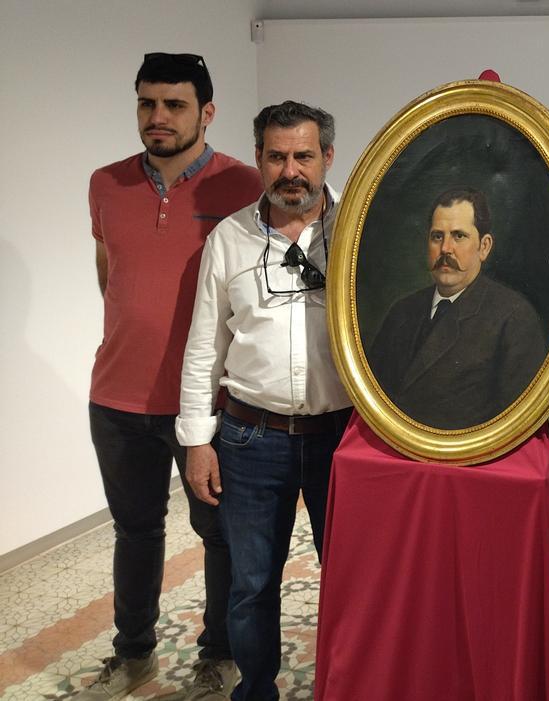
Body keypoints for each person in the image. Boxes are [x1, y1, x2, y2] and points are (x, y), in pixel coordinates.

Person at [82, 52, 261, 701]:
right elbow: (111, 273)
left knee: (217, 535)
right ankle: (132, 648)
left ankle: (216, 651)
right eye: (146, 103)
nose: (157, 117)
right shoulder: (106, 184)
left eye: (174, 104)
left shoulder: (241, 184)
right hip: (117, 397)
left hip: (209, 404)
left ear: (207, 112)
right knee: (135, 529)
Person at [176, 101, 352, 701]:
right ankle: (256, 690)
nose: (290, 170)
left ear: (328, 156)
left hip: (342, 438)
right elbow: (204, 345)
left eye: (304, 155)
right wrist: (198, 439)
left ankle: (346, 686)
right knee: (251, 585)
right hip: (250, 440)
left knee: (352, 581)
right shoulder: (229, 239)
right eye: (276, 156)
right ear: (258, 159)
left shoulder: (360, 232)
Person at [369, 188, 545, 429]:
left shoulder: (514, 318)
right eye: (437, 236)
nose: (445, 249)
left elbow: (513, 421)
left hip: (467, 461)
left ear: (484, 246)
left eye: (459, 236)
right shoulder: (401, 312)